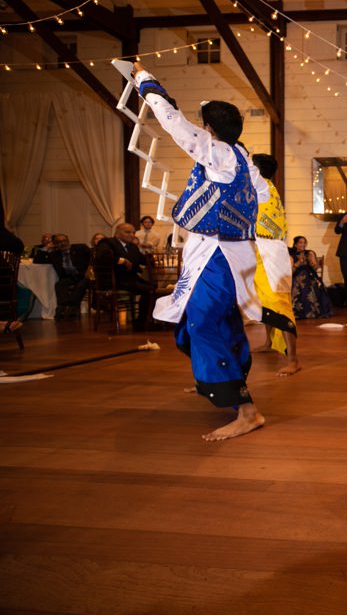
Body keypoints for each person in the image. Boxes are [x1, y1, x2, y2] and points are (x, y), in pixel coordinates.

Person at [132, 60, 270, 441]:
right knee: (220, 320)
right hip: (229, 250)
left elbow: (175, 124)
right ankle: (220, 380)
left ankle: (246, 409)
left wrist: (145, 80)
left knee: (202, 320)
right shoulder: (243, 159)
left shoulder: (221, 155)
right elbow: (262, 195)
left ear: (210, 130)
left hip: (218, 253)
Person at [248, 153, 302, 376]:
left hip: (271, 253)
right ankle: (269, 342)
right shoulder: (264, 188)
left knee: (279, 304)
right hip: (263, 251)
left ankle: (294, 359)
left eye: (251, 166)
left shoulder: (263, 190)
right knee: (265, 301)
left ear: (258, 171)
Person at [92, 222, 158, 317]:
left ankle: (146, 321)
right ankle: (142, 322)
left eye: (133, 233)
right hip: (113, 280)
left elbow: (143, 260)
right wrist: (122, 260)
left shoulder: (132, 247)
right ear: (117, 233)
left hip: (130, 280)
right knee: (149, 290)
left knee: (154, 288)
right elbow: (103, 256)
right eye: (128, 232)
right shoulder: (107, 242)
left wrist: (154, 261)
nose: (132, 235)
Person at [36, 233, 91, 318]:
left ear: (68, 241)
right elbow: (38, 260)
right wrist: (46, 247)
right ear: (55, 244)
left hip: (85, 275)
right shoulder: (55, 254)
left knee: (80, 286)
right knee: (59, 284)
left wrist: (89, 269)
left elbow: (94, 256)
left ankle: (72, 307)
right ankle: (62, 307)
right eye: (59, 242)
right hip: (70, 277)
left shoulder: (80, 248)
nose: (63, 243)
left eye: (65, 241)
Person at [291, 236, 333, 320]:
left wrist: (312, 262)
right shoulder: (291, 255)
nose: (303, 244)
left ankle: (311, 311)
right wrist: (299, 262)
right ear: (295, 244)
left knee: (308, 282)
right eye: (300, 242)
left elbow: (315, 269)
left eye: (304, 242)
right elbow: (291, 271)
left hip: (309, 276)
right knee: (298, 282)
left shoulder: (309, 253)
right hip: (295, 276)